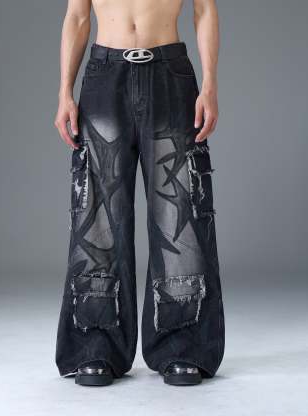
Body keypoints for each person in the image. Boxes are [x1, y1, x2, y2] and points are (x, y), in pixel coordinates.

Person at [54, 0, 224, 386]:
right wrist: (65, 91)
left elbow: (205, 10)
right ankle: (95, 345)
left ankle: (184, 345)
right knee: (97, 214)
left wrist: (210, 84)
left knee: (179, 208)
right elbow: (77, 15)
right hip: (105, 73)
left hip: (170, 72)